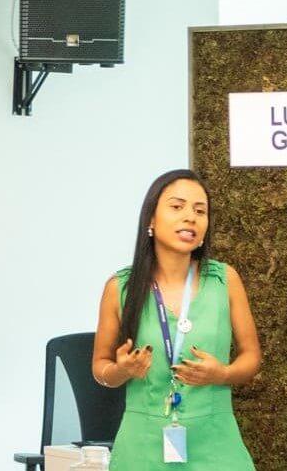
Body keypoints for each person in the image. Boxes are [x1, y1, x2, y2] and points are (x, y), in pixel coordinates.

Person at [92, 169, 262, 470]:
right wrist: (121, 370)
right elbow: (100, 368)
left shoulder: (225, 280)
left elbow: (251, 357)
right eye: (177, 206)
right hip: (142, 447)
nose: (190, 217)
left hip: (215, 444)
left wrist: (222, 374)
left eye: (200, 211)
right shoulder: (120, 288)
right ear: (151, 220)